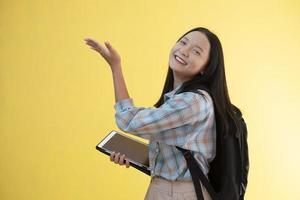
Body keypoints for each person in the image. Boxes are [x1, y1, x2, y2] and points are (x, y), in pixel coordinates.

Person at [84, 27, 242, 200]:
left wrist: (116, 67)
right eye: (183, 42)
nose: (184, 51)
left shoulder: (192, 102)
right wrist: (139, 158)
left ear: (206, 67)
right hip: (169, 190)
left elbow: (128, 121)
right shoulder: (179, 99)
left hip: (178, 193)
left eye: (196, 51)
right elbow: (178, 159)